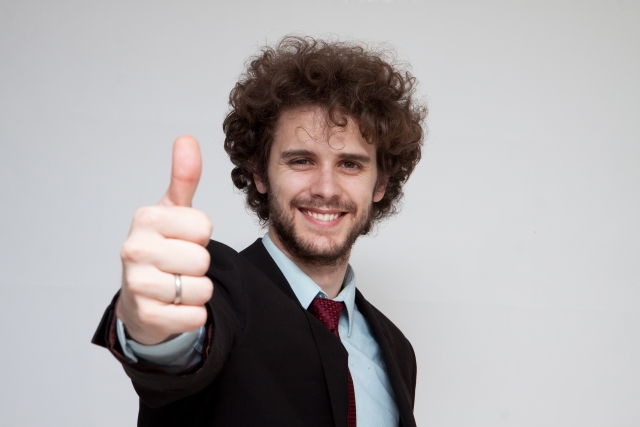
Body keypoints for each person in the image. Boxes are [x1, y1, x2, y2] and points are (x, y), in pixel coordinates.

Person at [92, 35, 427, 427]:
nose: (326, 188)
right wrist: (156, 331)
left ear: (380, 183)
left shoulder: (397, 351)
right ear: (260, 173)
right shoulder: (216, 288)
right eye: (301, 160)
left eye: (350, 165)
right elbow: (178, 354)